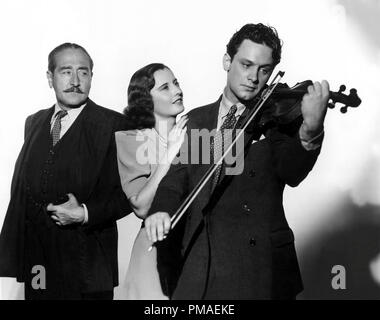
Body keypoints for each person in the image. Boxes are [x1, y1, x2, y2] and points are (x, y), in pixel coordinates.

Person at [145, 23, 330, 299]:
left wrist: (310, 130)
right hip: (201, 260)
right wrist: (161, 210)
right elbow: (178, 179)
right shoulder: (199, 120)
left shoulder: (275, 122)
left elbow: (292, 171)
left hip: (259, 267)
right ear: (227, 61)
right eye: (246, 65)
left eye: (264, 70)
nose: (254, 78)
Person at [0, 43, 131, 300]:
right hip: (38, 262)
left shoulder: (116, 125)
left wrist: (84, 213)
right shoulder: (34, 122)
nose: (75, 81)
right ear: (50, 78)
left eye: (83, 72)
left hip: (88, 266)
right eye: (65, 71)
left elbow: (132, 195)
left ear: (92, 77)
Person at [115, 63, 187, 299]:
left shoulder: (198, 132)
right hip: (154, 249)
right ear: (146, 100)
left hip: (195, 248)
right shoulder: (131, 139)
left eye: (176, 83)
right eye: (165, 87)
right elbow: (141, 206)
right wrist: (169, 155)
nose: (177, 90)